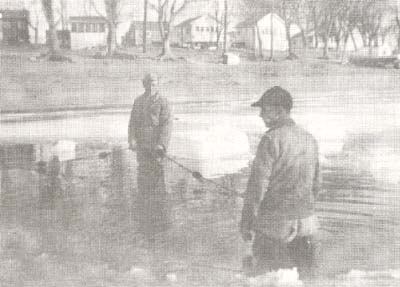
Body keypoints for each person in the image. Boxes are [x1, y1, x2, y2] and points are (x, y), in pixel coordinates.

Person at [240, 86, 321, 278]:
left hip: (275, 226)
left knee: (267, 277)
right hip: (308, 223)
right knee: (306, 277)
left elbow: (257, 186)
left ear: (280, 111)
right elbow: (316, 185)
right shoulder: (309, 138)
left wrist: (247, 222)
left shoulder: (270, 139)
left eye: (264, 109)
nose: (260, 115)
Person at [128, 73, 173, 240]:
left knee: (156, 180)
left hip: (156, 149)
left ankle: (158, 216)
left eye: (154, 83)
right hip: (142, 147)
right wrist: (132, 140)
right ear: (144, 84)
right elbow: (132, 123)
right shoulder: (138, 101)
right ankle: (144, 214)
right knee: (142, 178)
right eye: (149, 83)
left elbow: (167, 125)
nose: (152, 86)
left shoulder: (164, 102)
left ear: (158, 84)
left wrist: (161, 144)